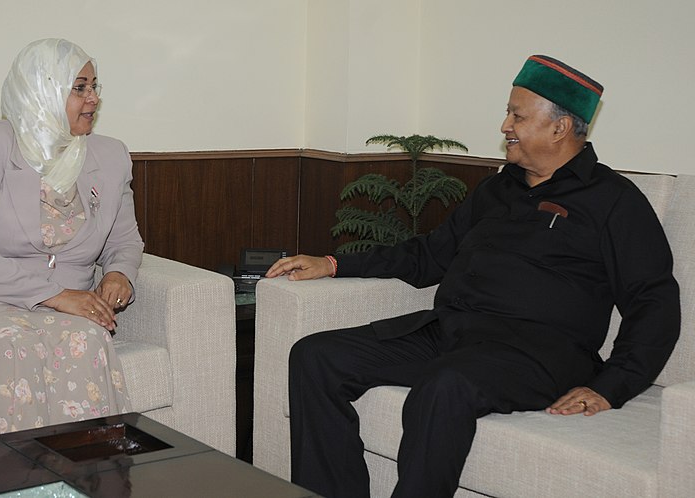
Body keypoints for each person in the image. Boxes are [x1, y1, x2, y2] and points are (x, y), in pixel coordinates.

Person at [266, 55, 681, 497]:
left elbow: (653, 300)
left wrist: (611, 387)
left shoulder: (614, 200)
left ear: (559, 128)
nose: (505, 125)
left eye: (517, 115)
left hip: (539, 353)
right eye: (508, 113)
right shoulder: (499, 188)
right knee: (316, 356)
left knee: (445, 385)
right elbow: (431, 254)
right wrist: (334, 264)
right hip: (454, 334)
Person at [0, 38, 144, 443]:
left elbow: (125, 240)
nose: (93, 98)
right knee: (11, 344)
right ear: (40, 90)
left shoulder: (110, 156)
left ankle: (85, 479)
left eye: (95, 86)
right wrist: (56, 295)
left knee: (88, 337)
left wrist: (118, 274)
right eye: (79, 87)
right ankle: (15, 482)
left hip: (66, 310)